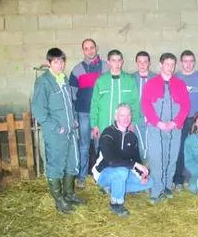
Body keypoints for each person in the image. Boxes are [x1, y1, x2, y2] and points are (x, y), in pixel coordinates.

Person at [32, 48, 86, 214]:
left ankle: (69, 194)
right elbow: (38, 111)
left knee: (72, 163)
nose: (60, 64)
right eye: (56, 61)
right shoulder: (44, 82)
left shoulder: (64, 79)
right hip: (56, 134)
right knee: (55, 166)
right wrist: (57, 128)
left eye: (62, 61)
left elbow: (68, 104)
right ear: (49, 63)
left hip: (70, 131)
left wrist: (73, 118)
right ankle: (59, 201)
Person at [141, 53, 190, 204]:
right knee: (157, 159)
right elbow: (145, 104)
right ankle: (156, 191)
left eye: (173, 64)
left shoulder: (180, 84)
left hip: (175, 128)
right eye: (167, 64)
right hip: (156, 128)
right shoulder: (151, 83)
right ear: (160, 65)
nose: (170, 67)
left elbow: (185, 106)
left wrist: (175, 123)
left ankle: (167, 186)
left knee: (171, 157)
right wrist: (158, 123)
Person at [92, 103, 153, 217]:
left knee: (150, 182)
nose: (126, 118)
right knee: (122, 171)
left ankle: (113, 189)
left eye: (128, 115)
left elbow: (136, 159)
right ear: (116, 117)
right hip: (104, 173)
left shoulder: (132, 137)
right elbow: (111, 161)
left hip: (123, 171)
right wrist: (134, 164)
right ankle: (116, 203)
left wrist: (141, 174)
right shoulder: (108, 133)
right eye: (122, 115)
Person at [69, 38, 109, 189]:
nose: (89, 50)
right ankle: (81, 176)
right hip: (84, 113)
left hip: (100, 114)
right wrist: (74, 115)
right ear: (83, 51)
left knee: (101, 145)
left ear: (96, 48)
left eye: (92, 47)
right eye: (86, 48)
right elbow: (72, 94)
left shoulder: (106, 67)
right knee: (84, 145)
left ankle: (100, 175)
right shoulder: (77, 70)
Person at [173, 50, 198, 192]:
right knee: (180, 150)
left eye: (191, 61)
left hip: (197, 120)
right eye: (185, 61)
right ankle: (178, 180)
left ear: (194, 62)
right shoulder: (175, 77)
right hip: (180, 119)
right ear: (181, 62)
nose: (188, 64)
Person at [90, 49, 139, 142]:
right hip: (104, 124)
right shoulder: (100, 81)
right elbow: (94, 104)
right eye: (113, 60)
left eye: (119, 60)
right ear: (108, 62)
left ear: (122, 62)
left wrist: (133, 122)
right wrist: (94, 124)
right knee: (105, 153)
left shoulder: (130, 80)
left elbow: (135, 102)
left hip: (124, 126)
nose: (117, 63)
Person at [132, 51, 156, 161]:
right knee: (139, 146)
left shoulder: (156, 78)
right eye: (140, 62)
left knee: (152, 145)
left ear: (149, 63)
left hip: (152, 118)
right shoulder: (131, 78)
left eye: (145, 62)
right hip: (136, 118)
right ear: (136, 62)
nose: (142, 65)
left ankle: (151, 172)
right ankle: (141, 172)